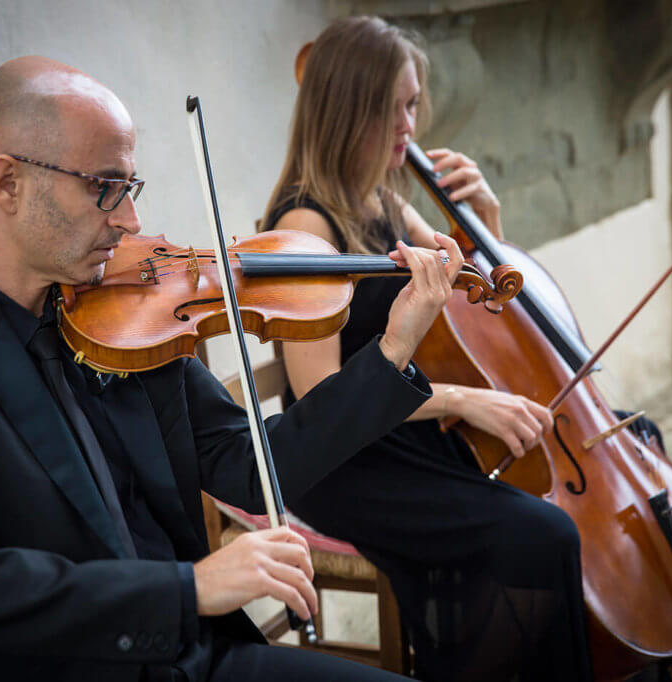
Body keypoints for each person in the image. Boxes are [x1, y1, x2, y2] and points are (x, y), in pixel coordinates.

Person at [0, 56, 466, 682]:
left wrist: (391, 351)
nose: (131, 221)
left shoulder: (123, 309)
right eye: (104, 187)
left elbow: (253, 468)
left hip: (192, 658)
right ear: (7, 183)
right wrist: (186, 589)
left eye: (130, 187)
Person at [261, 17, 594, 681]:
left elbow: (477, 313)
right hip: (346, 460)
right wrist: (464, 400)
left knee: (551, 503)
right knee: (542, 535)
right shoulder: (304, 226)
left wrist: (486, 228)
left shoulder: (379, 199)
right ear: (350, 111)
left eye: (413, 106)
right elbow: (323, 401)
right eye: (394, 110)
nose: (410, 126)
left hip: (406, 432)